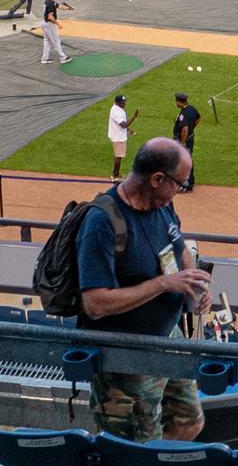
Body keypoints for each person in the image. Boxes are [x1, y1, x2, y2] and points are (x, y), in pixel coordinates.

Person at [76, 138, 210, 443]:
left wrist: (194, 285)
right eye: (180, 183)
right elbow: (94, 303)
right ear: (157, 179)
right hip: (125, 358)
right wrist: (163, 284)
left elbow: (178, 245)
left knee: (190, 422)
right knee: (136, 449)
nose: (182, 189)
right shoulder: (102, 222)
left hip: (167, 338)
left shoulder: (161, 205)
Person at [38, 0, 71, 64]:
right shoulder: (51, 4)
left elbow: (59, 6)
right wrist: (58, 24)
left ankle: (44, 58)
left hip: (45, 23)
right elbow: (50, 16)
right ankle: (63, 57)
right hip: (50, 24)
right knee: (56, 40)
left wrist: (68, 8)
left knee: (47, 41)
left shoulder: (49, 1)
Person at [107, 94, 136, 178]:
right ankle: (115, 175)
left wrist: (128, 130)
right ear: (117, 103)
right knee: (118, 157)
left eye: (124, 102)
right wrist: (134, 117)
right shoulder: (115, 112)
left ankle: (115, 173)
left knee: (117, 155)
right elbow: (123, 124)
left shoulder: (118, 108)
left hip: (118, 135)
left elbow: (123, 123)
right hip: (118, 137)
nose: (124, 104)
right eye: (122, 103)